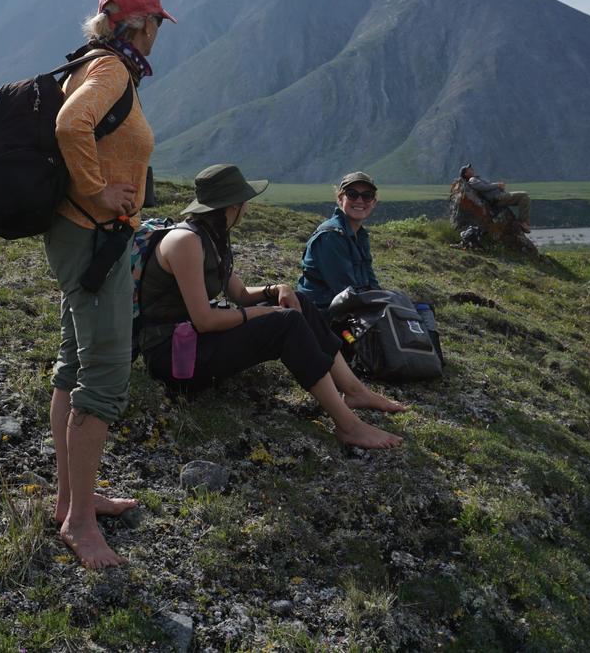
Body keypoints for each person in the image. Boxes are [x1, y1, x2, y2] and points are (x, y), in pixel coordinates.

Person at [44, 0, 174, 569]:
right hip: (94, 235)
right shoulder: (113, 70)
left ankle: (72, 496)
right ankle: (79, 523)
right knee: (103, 372)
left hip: (84, 235)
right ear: (139, 26)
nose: (156, 36)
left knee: (74, 363)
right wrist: (98, 195)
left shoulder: (96, 62)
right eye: (155, 25)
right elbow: (72, 126)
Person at [140, 164, 406, 449]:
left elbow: (240, 294)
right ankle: (348, 426)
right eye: (245, 202)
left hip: (193, 341)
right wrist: (266, 313)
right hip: (175, 358)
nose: (247, 209)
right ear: (234, 205)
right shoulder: (185, 242)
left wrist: (277, 289)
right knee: (285, 322)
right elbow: (204, 320)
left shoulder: (212, 236)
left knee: (297, 301)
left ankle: (354, 390)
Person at [295, 171, 382, 315]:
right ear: (340, 199)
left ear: (373, 202)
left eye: (367, 196)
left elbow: (371, 283)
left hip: (347, 310)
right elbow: (345, 290)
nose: (360, 201)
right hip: (321, 315)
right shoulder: (330, 236)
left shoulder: (360, 235)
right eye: (352, 194)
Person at [458, 164, 531, 227]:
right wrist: (498, 185)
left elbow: (486, 186)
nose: (472, 169)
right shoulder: (472, 179)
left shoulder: (475, 178)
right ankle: (522, 222)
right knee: (524, 196)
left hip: (499, 196)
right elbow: (483, 187)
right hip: (497, 198)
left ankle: (524, 222)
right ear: (466, 174)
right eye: (469, 169)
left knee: (524, 198)